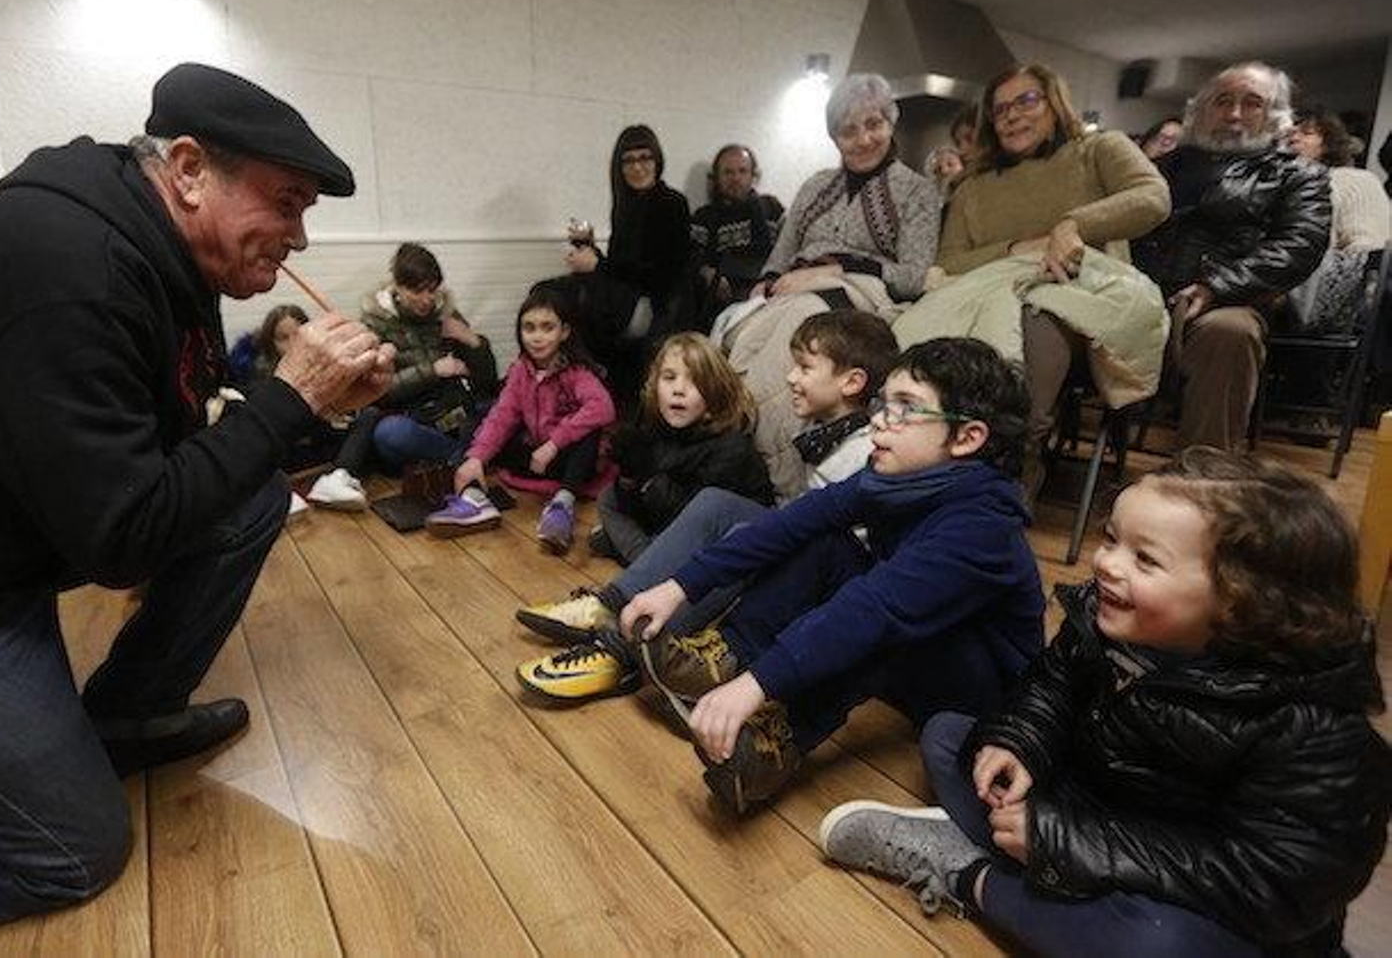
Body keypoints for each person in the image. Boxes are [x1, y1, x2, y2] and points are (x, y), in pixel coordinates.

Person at [0, 63, 395, 948]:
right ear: (188, 170)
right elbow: (124, 539)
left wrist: (313, 405)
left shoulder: (157, 265)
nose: (298, 236)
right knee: (70, 845)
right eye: (286, 202)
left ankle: (125, 717)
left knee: (247, 503)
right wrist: (291, 397)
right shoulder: (66, 268)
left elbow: (181, 463)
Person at [821, 449, 1391, 957]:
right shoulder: (1108, 620)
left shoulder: (1318, 733)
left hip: (1208, 904)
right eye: (1112, 538)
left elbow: (1269, 884)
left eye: (1146, 559)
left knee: (1160, 945)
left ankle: (969, 873)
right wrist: (1020, 742)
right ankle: (1027, 867)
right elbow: (1050, 686)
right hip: (1097, 810)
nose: (1106, 563)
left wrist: (1063, 842)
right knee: (949, 734)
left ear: (1243, 603)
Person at [556, 338, 1044, 814]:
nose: (879, 419)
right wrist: (677, 586)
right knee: (825, 543)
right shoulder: (894, 479)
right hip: (911, 652)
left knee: (875, 614)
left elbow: (876, 609)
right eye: (883, 402)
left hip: (975, 694)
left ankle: (777, 741)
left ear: (967, 437)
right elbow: (791, 523)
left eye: (905, 408)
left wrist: (757, 685)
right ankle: (722, 658)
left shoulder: (984, 525)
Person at [514, 310, 896, 698]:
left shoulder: (868, 449)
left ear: (851, 382)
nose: (790, 377)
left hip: (831, 581)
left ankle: (623, 650)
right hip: (801, 542)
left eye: (804, 368)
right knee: (715, 505)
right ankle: (610, 604)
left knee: (744, 536)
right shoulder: (816, 429)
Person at [932, 62, 1170, 495]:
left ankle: (1011, 471)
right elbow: (949, 261)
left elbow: (1153, 198)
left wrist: (1072, 225)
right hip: (988, 300)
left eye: (1026, 100)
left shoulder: (1098, 150)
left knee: (1036, 319)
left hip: (1081, 309)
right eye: (1000, 109)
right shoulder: (972, 188)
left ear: (1055, 104)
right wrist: (1018, 249)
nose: (1012, 115)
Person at [1131, 62, 1332, 451]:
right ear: (1204, 109)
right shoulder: (1159, 169)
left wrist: (1215, 286)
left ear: (1274, 115)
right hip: (1139, 295)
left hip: (1227, 300)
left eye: (1252, 103)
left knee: (1230, 333)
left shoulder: (1299, 175)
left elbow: (1300, 244)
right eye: (1223, 101)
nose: (1234, 113)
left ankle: (1201, 476)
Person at [427, 286, 615, 553]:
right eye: (529, 328)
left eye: (547, 328)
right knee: (483, 418)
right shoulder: (519, 371)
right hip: (536, 457)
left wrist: (554, 444)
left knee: (589, 434)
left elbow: (603, 407)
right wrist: (477, 458)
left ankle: (562, 507)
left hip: (569, 463)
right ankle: (475, 499)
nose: (537, 337)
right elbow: (502, 415)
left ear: (564, 332)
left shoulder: (576, 372)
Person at [755, 73, 941, 305]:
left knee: (801, 313)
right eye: (848, 131)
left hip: (858, 297)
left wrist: (838, 269)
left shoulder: (917, 192)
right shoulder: (815, 185)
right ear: (834, 138)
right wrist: (767, 281)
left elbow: (912, 279)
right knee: (734, 325)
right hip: (792, 289)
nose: (863, 140)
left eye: (874, 124)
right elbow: (782, 253)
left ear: (891, 125)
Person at [595, 333, 774, 565]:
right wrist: (629, 478)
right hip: (669, 523)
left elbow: (690, 521)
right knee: (609, 497)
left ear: (713, 396)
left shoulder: (731, 448)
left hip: (720, 541)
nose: (678, 389)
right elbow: (642, 509)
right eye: (669, 378)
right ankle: (645, 556)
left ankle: (645, 562)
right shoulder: (660, 432)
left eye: (694, 381)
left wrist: (647, 476)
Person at [551, 125, 692, 400]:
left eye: (644, 158)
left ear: (657, 160)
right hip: (625, 296)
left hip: (656, 303)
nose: (637, 167)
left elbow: (662, 275)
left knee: (571, 306)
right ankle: (569, 391)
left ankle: (586, 391)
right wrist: (591, 247)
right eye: (628, 160)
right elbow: (621, 267)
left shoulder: (672, 204)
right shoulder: (625, 205)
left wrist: (597, 266)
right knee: (550, 296)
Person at [362, 241, 498, 473]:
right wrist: (432, 370)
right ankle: (466, 459)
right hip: (413, 421)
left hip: (455, 412)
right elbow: (377, 394)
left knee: (502, 407)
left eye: (432, 289)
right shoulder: (376, 322)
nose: (427, 299)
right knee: (389, 432)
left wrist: (473, 342)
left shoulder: (446, 314)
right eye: (417, 291)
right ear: (398, 286)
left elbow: (487, 384)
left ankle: (456, 460)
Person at [230, 303, 381, 505]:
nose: (291, 344)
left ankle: (338, 477)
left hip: (320, 436)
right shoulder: (259, 369)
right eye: (283, 338)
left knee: (369, 415)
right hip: (288, 446)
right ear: (270, 341)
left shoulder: (324, 362)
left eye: (298, 336)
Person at [1284, 107, 1391, 332]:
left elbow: (1368, 246)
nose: (1293, 136)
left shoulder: (1353, 180)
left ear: (1328, 142)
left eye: (1306, 132)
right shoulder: (1271, 184)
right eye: (1289, 133)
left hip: (1322, 300)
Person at [688, 144, 786, 306]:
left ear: (753, 176)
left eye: (742, 171)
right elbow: (692, 258)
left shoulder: (772, 208)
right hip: (726, 292)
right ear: (716, 178)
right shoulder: (704, 216)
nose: (736, 178)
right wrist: (707, 272)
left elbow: (791, 246)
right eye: (728, 172)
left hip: (771, 290)